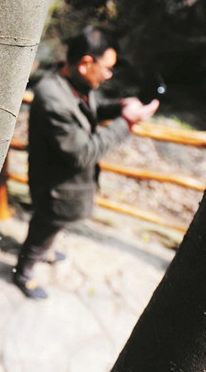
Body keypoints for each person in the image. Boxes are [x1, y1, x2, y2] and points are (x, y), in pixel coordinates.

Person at [13, 26, 159, 299]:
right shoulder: (52, 97)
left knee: (50, 227)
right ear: (86, 63)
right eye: (107, 68)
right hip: (54, 187)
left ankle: (44, 251)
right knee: (43, 228)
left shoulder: (74, 84)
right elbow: (82, 153)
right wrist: (127, 121)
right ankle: (24, 272)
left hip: (63, 185)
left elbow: (89, 111)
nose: (109, 75)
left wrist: (119, 107)